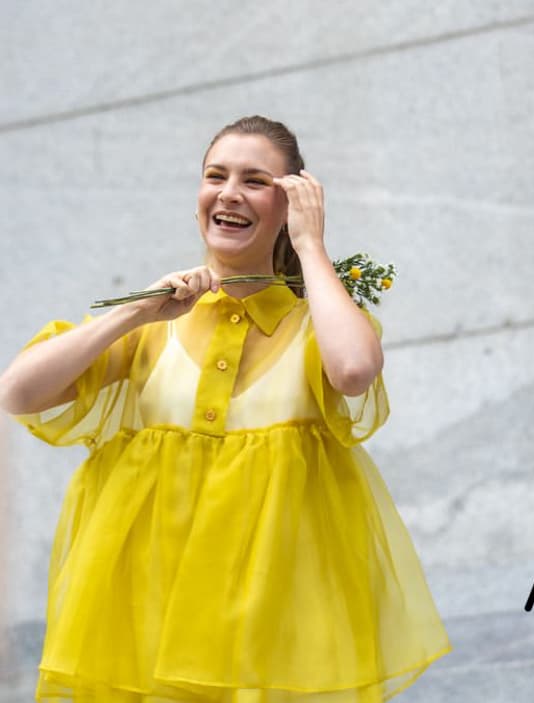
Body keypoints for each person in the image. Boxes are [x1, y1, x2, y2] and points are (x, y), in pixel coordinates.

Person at [0, 115, 451, 702]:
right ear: (198, 200)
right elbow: (18, 393)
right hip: (144, 621)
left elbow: (355, 370)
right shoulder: (152, 325)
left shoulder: (315, 323)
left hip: (273, 622)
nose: (230, 191)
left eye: (255, 180)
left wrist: (311, 246)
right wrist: (132, 313)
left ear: (289, 204)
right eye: (216, 175)